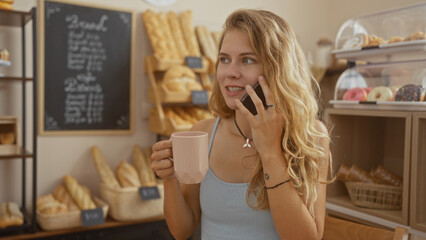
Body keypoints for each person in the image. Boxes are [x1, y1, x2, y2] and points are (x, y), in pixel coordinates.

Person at [151, 9, 332, 240]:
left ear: (277, 68)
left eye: (247, 60)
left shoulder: (311, 136)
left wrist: (270, 152)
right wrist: (169, 178)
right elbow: (182, 230)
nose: (230, 73)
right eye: (224, 59)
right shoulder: (202, 133)